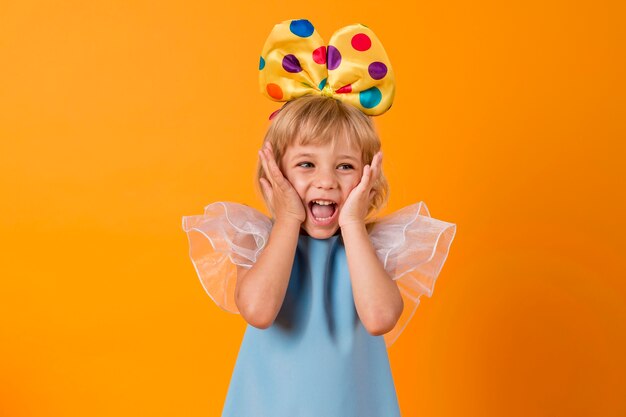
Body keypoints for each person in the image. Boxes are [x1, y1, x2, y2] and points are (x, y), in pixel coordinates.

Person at [182, 18, 457, 417]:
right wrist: (288, 219)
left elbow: (380, 317)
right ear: (275, 172)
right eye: (306, 164)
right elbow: (259, 311)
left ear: (368, 176)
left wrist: (351, 225)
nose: (326, 181)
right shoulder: (254, 239)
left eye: (345, 167)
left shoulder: (373, 246)